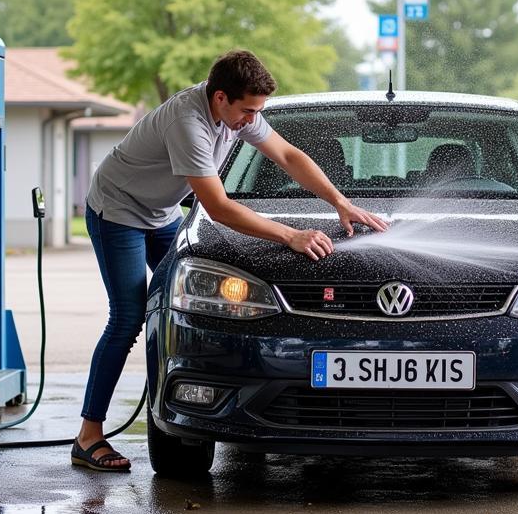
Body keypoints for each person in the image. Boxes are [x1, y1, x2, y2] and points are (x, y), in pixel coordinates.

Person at [71, 50, 388, 472]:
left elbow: (289, 156)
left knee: (185, 303)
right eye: (247, 111)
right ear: (220, 97)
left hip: (161, 212)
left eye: (256, 111)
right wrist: (291, 235)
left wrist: (340, 203)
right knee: (129, 317)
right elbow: (218, 207)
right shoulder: (188, 123)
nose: (251, 120)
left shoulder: (239, 112)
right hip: (119, 211)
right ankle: (88, 437)